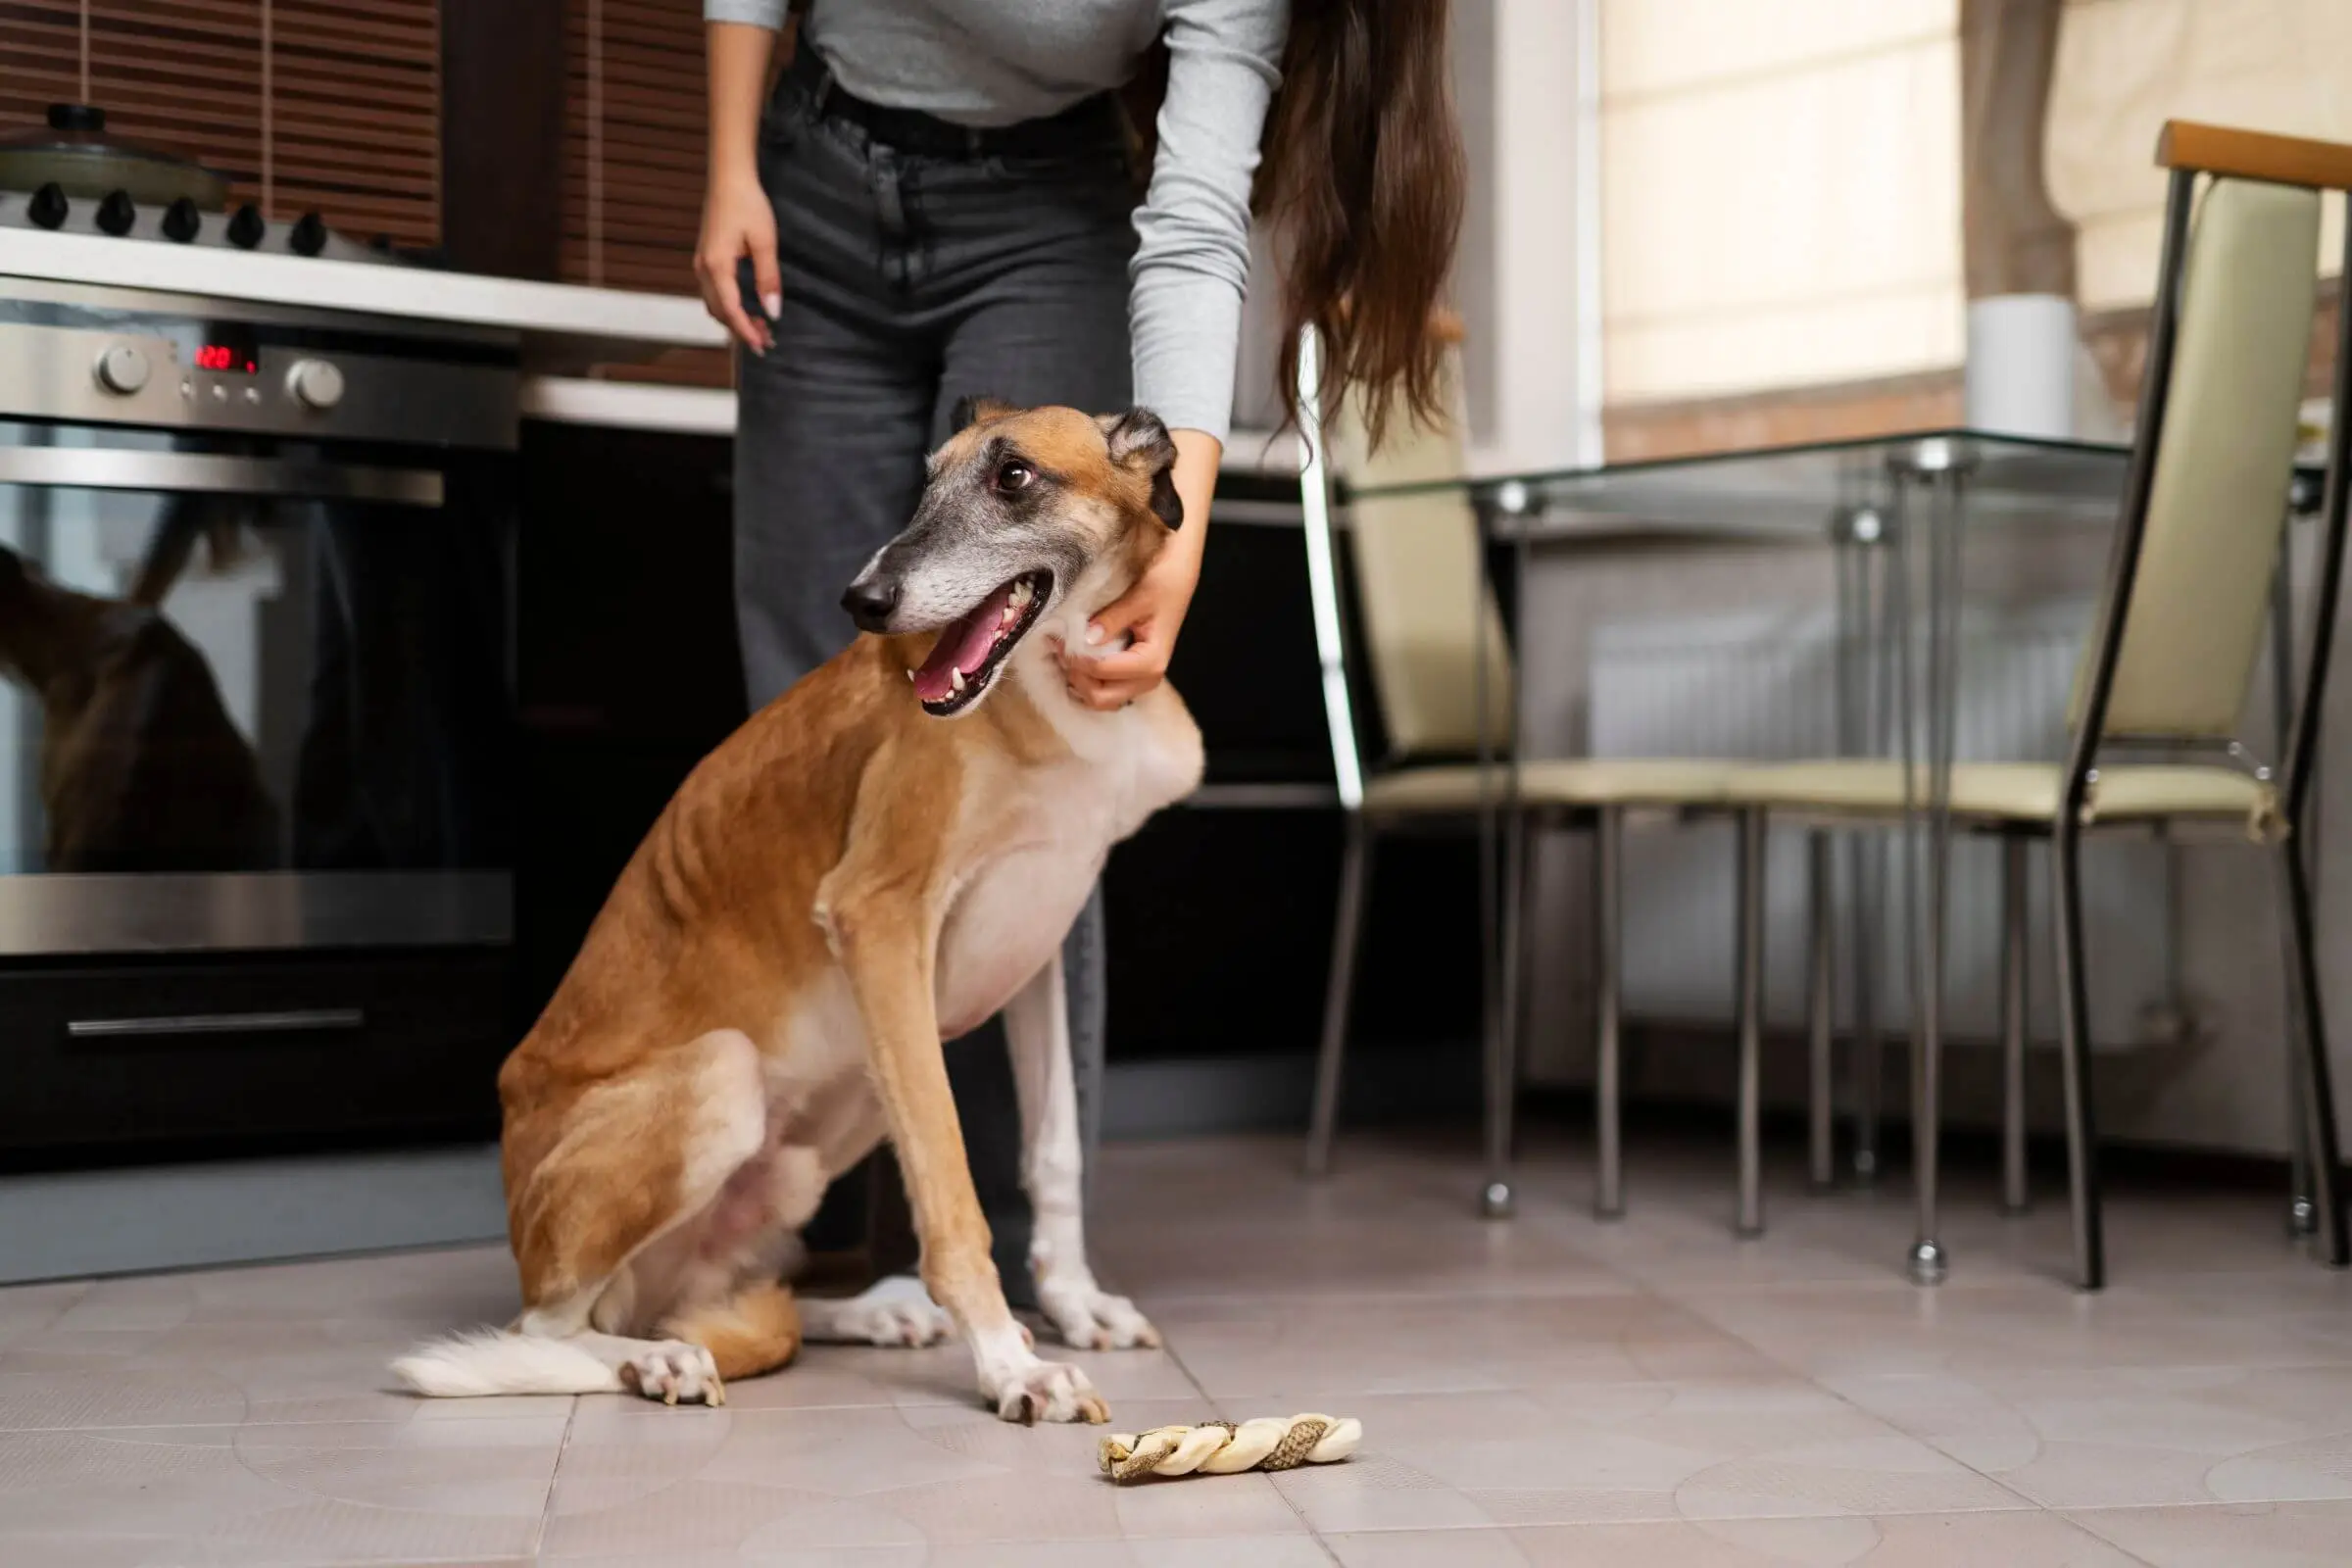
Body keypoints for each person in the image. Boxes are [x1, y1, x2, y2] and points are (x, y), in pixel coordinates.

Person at [698, 0, 1463, 1301]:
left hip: (1045, 211)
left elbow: (1195, 226)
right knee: (811, 710)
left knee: (1050, 749)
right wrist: (726, 165)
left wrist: (1181, 527)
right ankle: (800, 1210)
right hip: (811, 172)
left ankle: (1011, 1247)